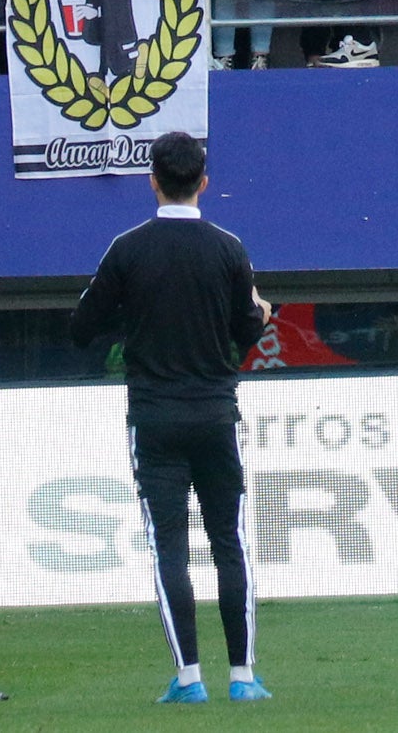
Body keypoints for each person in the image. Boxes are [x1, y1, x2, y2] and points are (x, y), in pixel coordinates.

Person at [67, 129, 269, 704]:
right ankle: (243, 676)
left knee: (170, 548)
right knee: (229, 542)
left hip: (153, 417)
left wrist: (133, 313)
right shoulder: (229, 247)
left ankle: (188, 679)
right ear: (203, 182)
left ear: (151, 181)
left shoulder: (127, 249)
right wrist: (260, 313)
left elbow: (82, 329)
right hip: (214, 414)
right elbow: (245, 332)